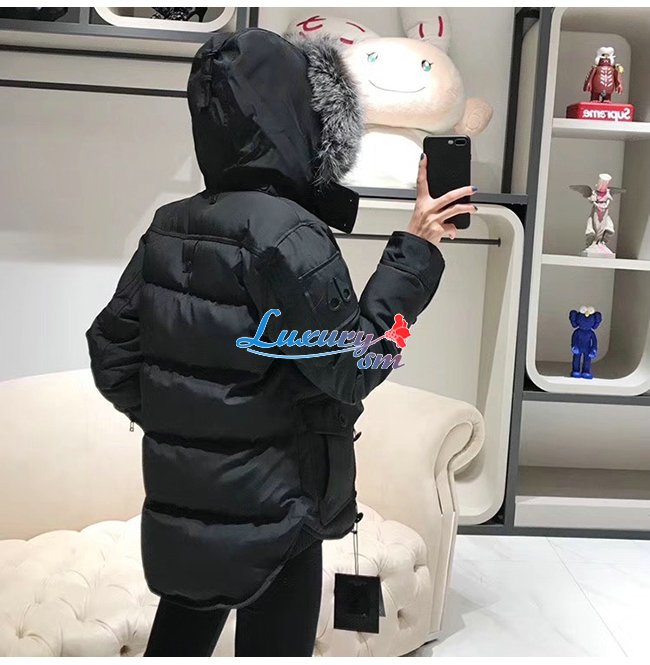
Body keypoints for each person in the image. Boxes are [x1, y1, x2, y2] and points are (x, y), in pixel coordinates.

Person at [85, 27, 476, 657]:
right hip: (280, 508)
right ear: (301, 119)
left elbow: (111, 353)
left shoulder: (170, 226)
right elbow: (360, 363)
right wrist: (417, 252)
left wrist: (192, 423)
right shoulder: (289, 235)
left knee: (179, 639)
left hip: (188, 500)